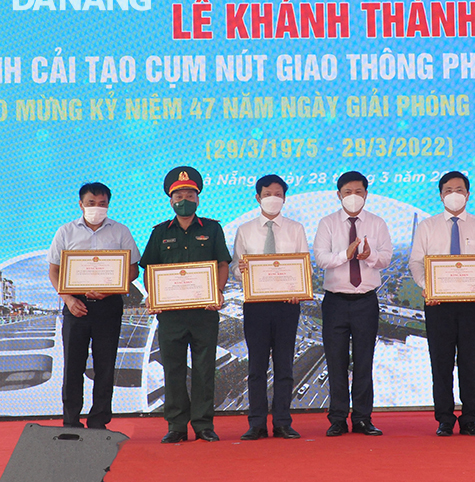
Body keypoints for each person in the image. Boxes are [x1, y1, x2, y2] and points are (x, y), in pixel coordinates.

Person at [140, 166, 231, 443]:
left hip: (204, 313)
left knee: (205, 369)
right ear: (170, 200)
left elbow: (222, 264)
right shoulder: (159, 233)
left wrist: (216, 291)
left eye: (190, 194)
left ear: (198, 198)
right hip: (171, 315)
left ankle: (203, 424)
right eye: (179, 194)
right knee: (173, 368)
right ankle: (176, 426)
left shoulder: (213, 229)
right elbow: (149, 269)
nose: (184, 199)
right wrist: (152, 295)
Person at [408, 171, 475, 437]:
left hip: (474, 304)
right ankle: (444, 418)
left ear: (468, 194)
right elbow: (415, 261)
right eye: (448, 190)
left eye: (459, 189)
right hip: (438, 305)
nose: (454, 194)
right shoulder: (427, 226)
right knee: (441, 363)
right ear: (440, 195)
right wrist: (428, 287)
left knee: (472, 363)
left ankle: (471, 418)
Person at [47, 182, 140, 430]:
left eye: (102, 204)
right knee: (73, 365)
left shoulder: (120, 231)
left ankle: (99, 420)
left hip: (108, 306)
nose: (97, 208)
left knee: (105, 365)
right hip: (75, 305)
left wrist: (109, 290)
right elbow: (54, 270)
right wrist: (68, 298)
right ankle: (71, 420)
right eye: (91, 203)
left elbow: (132, 269)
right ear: (81, 204)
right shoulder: (65, 232)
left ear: (108, 205)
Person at [313, 171, 393, 436]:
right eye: (348, 192)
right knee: (335, 362)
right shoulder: (327, 223)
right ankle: (337, 418)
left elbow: (386, 259)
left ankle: (361, 418)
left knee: (364, 361)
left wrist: (369, 257)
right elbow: (321, 259)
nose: (353, 197)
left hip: (366, 302)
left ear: (366, 194)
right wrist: (344, 255)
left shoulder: (377, 223)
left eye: (359, 192)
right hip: (335, 301)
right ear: (338, 195)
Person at [232, 174, 308, 440]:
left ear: (284, 198)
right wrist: (241, 270)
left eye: (278, 194)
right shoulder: (245, 229)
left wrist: (299, 289)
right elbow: (235, 268)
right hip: (256, 305)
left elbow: (303, 266)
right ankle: (256, 423)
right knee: (256, 367)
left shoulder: (296, 229)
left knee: (285, 365)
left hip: (287, 305)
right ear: (258, 197)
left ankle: (283, 422)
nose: (273, 199)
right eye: (267, 194)